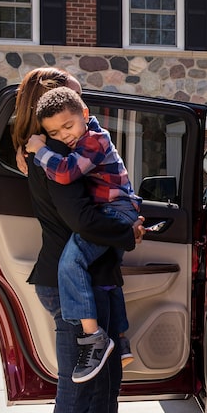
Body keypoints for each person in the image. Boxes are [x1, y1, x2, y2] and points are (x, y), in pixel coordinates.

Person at [12, 68, 157, 413]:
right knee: (76, 399)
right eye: (67, 110)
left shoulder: (68, 148)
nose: (76, 128)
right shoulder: (52, 157)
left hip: (98, 281)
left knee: (104, 391)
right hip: (71, 287)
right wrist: (128, 232)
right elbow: (83, 221)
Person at [25, 87, 140, 381]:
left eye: (68, 126)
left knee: (71, 263)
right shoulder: (84, 138)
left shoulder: (95, 140)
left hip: (115, 210)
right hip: (115, 211)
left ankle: (95, 338)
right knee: (110, 277)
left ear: (85, 115)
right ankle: (120, 340)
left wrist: (39, 150)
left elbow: (65, 172)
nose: (64, 135)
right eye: (54, 132)